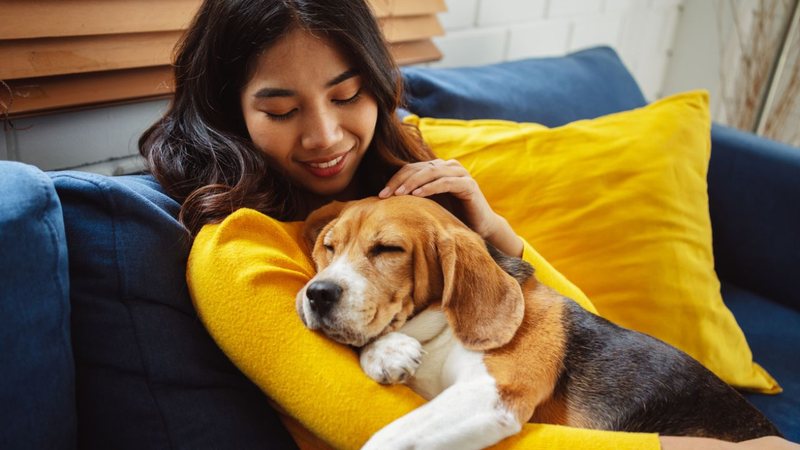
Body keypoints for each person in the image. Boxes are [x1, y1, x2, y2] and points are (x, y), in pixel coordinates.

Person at [139, 1, 798, 449]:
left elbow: (567, 338)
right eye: (281, 109)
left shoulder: (412, 198)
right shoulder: (237, 248)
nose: (325, 135)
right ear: (230, 111)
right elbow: (376, 423)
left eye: (346, 96)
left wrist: (493, 231)